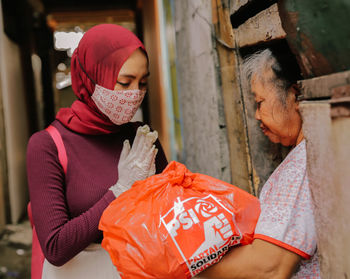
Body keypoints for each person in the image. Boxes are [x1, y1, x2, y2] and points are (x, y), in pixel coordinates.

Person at [26, 24, 168, 279]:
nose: (135, 94)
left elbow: (170, 219)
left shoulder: (143, 139)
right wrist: (119, 192)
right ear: (90, 77)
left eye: (143, 82)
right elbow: (56, 247)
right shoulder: (47, 145)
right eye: (124, 82)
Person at [199, 49, 320, 278]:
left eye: (260, 101)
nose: (256, 115)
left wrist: (190, 264)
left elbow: (269, 268)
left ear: (294, 95)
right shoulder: (305, 156)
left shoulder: (301, 168)